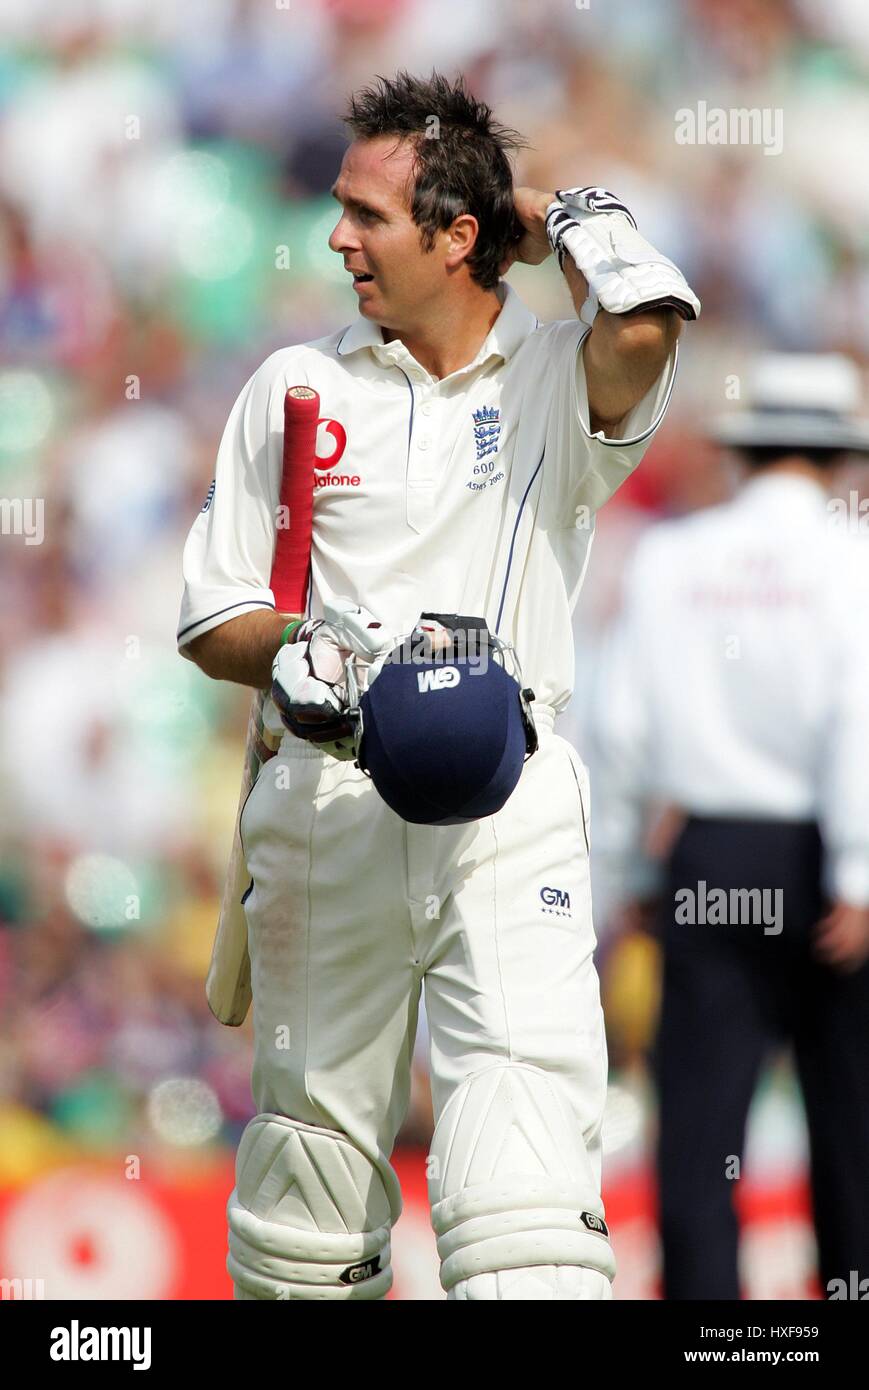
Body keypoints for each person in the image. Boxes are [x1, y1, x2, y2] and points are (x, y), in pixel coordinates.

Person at [177, 70, 697, 1301]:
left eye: (368, 214)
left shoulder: (555, 376)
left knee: (527, 1225)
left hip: (507, 812)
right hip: (326, 802)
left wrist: (549, 209)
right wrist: (303, 653)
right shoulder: (293, 386)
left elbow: (645, 322)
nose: (336, 237)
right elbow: (213, 617)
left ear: (461, 238)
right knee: (305, 1223)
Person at [587, 352, 869, 1300]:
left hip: (707, 857)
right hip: (824, 858)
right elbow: (857, 725)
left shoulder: (674, 556)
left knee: (702, 1130)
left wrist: (625, 874)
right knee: (851, 1127)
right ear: (836, 460)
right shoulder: (852, 559)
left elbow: (617, 730)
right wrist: (862, 876)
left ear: (748, 452)